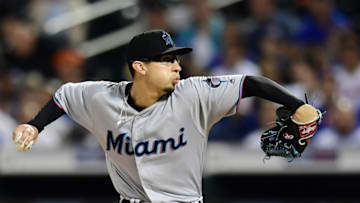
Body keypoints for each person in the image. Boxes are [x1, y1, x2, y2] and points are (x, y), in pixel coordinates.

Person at [12, 29, 318, 203]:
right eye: (167, 61)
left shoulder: (194, 93)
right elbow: (64, 96)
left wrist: (296, 105)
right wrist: (34, 125)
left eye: (177, 60)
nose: (178, 67)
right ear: (140, 67)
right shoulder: (101, 96)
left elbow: (250, 83)